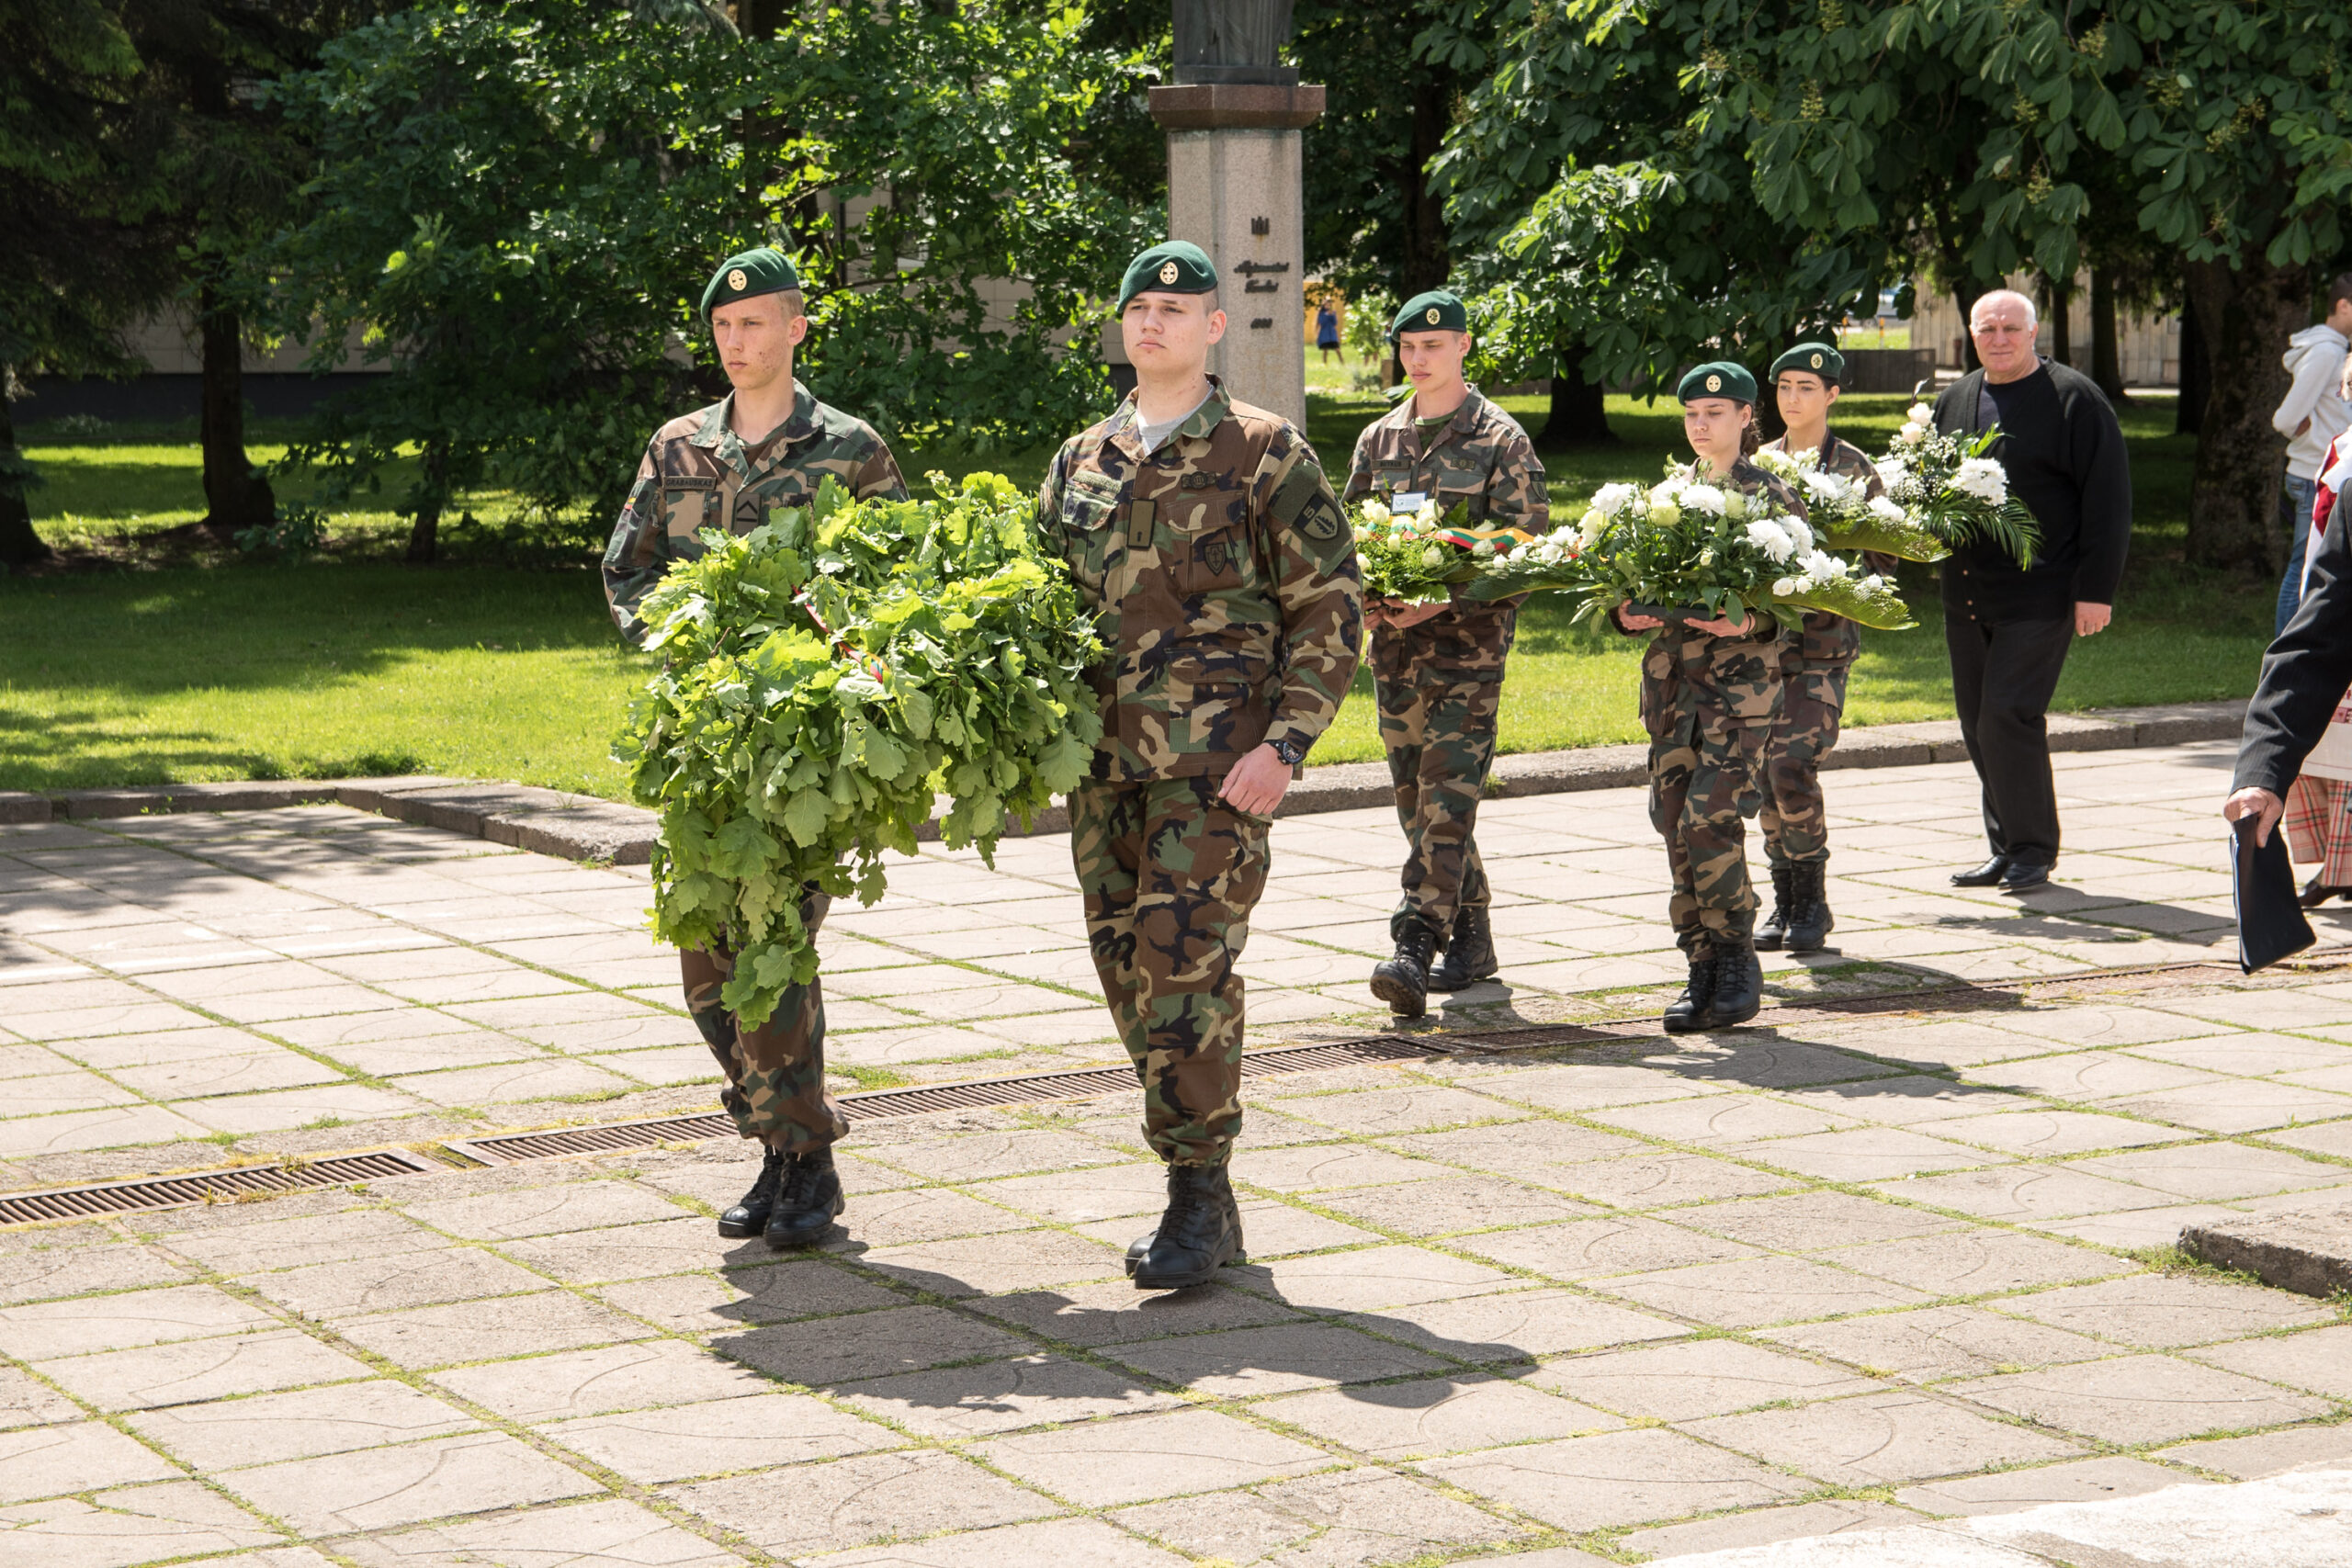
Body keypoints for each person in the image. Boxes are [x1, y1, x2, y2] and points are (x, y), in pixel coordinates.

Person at [1036, 241, 1362, 1290]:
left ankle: (1196, 1186)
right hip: (1104, 766)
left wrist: (1287, 743)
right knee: (1125, 970)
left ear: (1214, 327)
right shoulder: (1082, 459)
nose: (1153, 321)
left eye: (1176, 309)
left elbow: (1330, 606)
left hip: (1216, 768)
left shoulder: (1265, 453)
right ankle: (1202, 1181)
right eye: (1139, 306)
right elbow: (1041, 604)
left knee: (1183, 971)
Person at [603, 247, 907, 1252]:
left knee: (772, 948)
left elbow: (892, 587)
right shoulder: (677, 448)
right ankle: (777, 1144)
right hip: (701, 740)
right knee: (705, 964)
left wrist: (834, 661)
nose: (736, 343)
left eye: (754, 324)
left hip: (802, 749)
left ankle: (804, 1159)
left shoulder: (850, 450)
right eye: (723, 328)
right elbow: (628, 570)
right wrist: (678, 635)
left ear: (796, 329)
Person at [1342, 289, 1545, 1018]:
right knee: (1420, 802)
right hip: (1396, 653)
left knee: (1447, 798)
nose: (1418, 358)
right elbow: (1351, 536)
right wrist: (1367, 598)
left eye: (1433, 345)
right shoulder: (1378, 441)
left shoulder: (1501, 441)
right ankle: (1474, 940)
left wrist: (1447, 600)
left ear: (1463, 346)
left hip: (1467, 656)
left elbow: (1527, 555)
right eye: (1407, 346)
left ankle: (1416, 941)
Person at [1613, 362, 1800, 1033]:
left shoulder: (1772, 498)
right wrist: (1623, 613)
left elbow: (1803, 603)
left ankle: (1736, 955)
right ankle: (1700, 962)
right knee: (1673, 820)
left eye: (1715, 414)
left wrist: (1750, 623)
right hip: (1672, 692)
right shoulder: (1666, 496)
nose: (1700, 424)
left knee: (1708, 817)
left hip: (1737, 694)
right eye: (1691, 413)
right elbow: (1628, 583)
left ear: (1747, 417)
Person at [1932, 289, 2131, 893]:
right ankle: (2006, 846)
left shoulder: (2076, 400)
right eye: (1987, 329)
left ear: (2034, 332)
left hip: (2042, 591)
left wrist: (2096, 591)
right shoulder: (1955, 398)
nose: (1999, 339)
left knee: (2006, 717)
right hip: (1967, 591)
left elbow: (2109, 501)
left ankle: (2032, 849)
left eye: (2010, 328)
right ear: (1972, 333)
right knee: (1976, 723)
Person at [1755, 341, 1886, 953]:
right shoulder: (1757, 462)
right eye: (1784, 387)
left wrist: (1835, 558)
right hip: (1761, 646)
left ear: (1832, 394)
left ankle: (1812, 900)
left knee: (1791, 764)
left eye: (1806, 387)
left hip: (1822, 647)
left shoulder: (1855, 469)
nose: (1792, 398)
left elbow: (1885, 561)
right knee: (1763, 774)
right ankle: (1784, 898)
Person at [2277, 367, 2352, 904]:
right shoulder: (2340, 447)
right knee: (2327, 747)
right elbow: (2322, 540)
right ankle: (2337, 866)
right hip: (2331, 605)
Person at [2269, 274, 2352, 634]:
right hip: (2314, 474)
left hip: (2322, 471)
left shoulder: (2333, 348)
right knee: (2305, 569)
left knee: (2311, 565)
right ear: (2343, 306)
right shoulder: (2326, 352)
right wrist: (2309, 432)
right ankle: (2287, 653)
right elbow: (2285, 418)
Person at [1316, 300, 1342, 365]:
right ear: (1323, 306)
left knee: (1337, 349)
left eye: (1329, 305)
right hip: (1324, 335)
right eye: (1326, 305)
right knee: (1325, 350)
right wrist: (1327, 315)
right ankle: (1325, 364)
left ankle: (1342, 363)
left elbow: (1335, 323)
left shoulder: (1333, 312)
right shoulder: (1321, 313)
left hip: (1332, 334)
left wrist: (1332, 315)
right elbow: (1322, 323)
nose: (1328, 306)